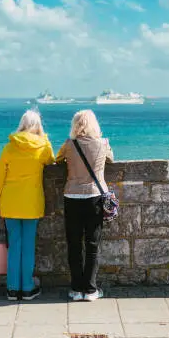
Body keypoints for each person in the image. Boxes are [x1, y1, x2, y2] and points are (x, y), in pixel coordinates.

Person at [0, 109, 55, 301]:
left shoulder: (9, 147)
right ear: (37, 125)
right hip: (31, 202)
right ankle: (27, 288)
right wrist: (43, 137)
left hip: (10, 202)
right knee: (28, 246)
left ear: (21, 124)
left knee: (14, 245)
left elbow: (0, 179)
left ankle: (12, 288)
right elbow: (51, 160)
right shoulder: (43, 145)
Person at [56, 110, 114, 302]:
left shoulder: (69, 144)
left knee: (74, 244)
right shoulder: (103, 143)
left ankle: (76, 289)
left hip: (72, 196)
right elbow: (111, 159)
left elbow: (57, 159)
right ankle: (90, 290)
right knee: (92, 244)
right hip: (94, 197)